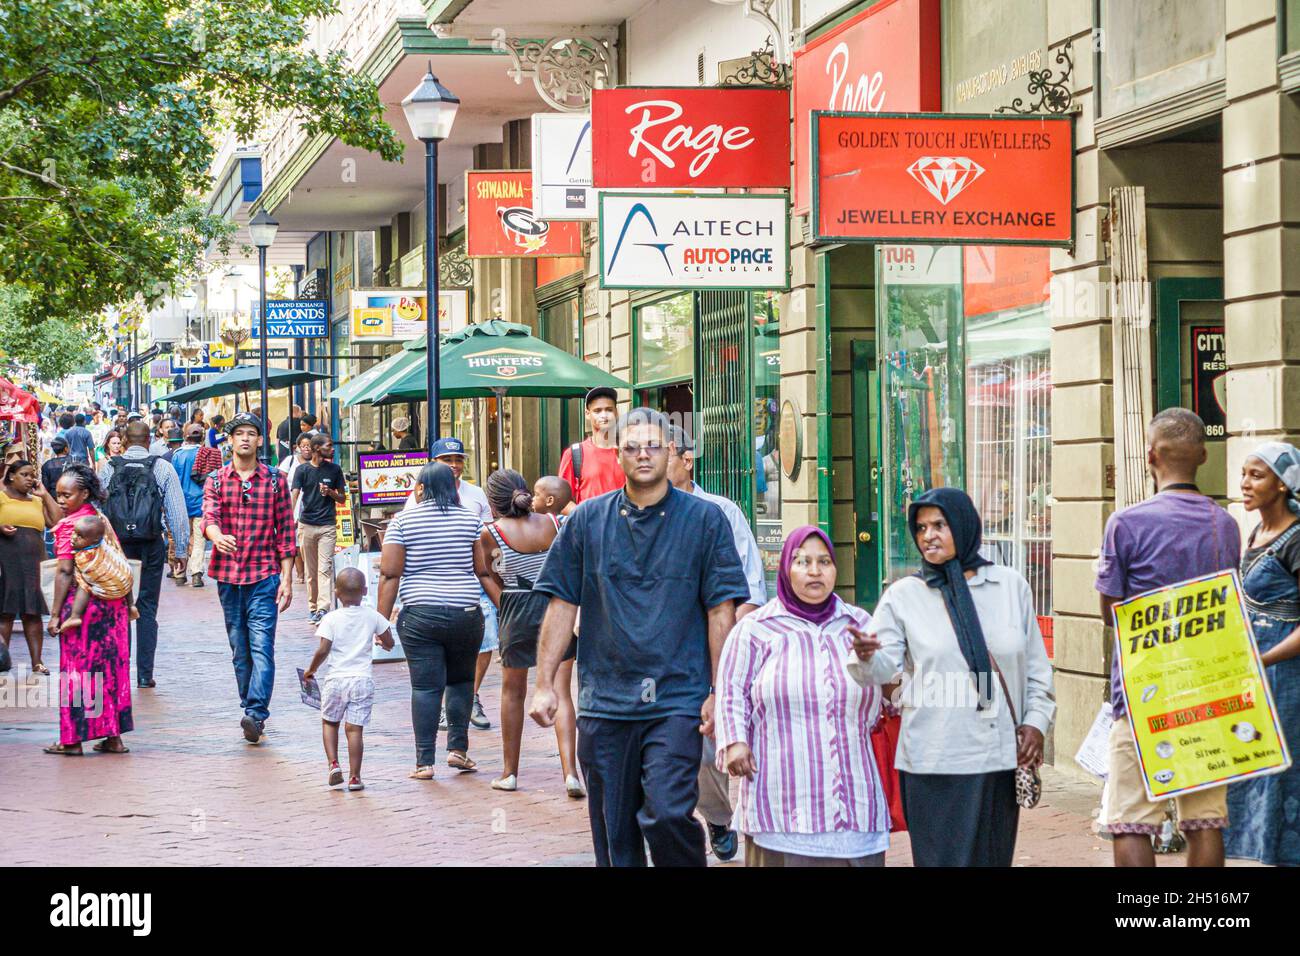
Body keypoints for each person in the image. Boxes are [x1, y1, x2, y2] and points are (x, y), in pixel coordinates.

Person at [529, 407, 751, 867]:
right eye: (632, 447)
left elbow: (721, 610)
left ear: (671, 451)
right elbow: (561, 603)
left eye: (653, 445)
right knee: (615, 831)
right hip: (605, 701)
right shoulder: (587, 521)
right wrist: (545, 683)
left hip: (677, 697)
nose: (643, 454)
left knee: (668, 812)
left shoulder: (706, 521)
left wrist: (719, 691)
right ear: (618, 454)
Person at [848, 487, 1055, 867]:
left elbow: (1038, 671)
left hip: (995, 760)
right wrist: (866, 656)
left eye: (939, 524)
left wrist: (1036, 724)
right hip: (933, 761)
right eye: (921, 527)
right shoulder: (905, 596)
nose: (929, 535)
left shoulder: (1010, 587)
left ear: (963, 524)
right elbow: (880, 671)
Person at [1095, 408, 1241, 866]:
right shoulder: (1226, 525)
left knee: (1131, 819)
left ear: (1150, 455)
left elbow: (1110, 612)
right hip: (1206, 688)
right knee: (1204, 819)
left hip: (1143, 691)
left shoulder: (1126, 523)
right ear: (1202, 455)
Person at [717, 526, 890, 867]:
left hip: (855, 800)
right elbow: (731, 692)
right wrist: (736, 742)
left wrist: (877, 663)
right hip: (781, 802)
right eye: (803, 561)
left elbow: (894, 696)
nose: (815, 571)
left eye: (824, 561)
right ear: (785, 568)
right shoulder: (757, 629)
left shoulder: (859, 624)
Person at [665, 425, 766, 862]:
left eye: (659, 449)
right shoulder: (629, 513)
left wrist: (728, 657)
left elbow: (750, 591)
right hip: (661, 656)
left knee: (712, 745)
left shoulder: (721, 511)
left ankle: (721, 816)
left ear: (687, 459)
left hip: (716, 650)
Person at [475, 469, 582, 796]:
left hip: (516, 611)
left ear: (493, 502)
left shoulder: (490, 532)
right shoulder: (554, 523)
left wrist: (502, 602)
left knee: (513, 692)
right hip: (557, 608)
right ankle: (571, 775)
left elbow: (488, 572)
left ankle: (510, 773)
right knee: (562, 692)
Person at [378, 462, 486, 778]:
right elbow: (483, 569)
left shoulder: (402, 522)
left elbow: (389, 574)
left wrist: (381, 623)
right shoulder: (471, 521)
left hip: (419, 615)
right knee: (461, 681)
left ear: (421, 488)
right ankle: (458, 750)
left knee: (425, 687)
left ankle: (424, 762)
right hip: (465, 613)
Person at [1224, 442, 1300, 866]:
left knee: (1285, 773)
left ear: (1283, 485)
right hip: (1254, 671)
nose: (1244, 483)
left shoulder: (1297, 538)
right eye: (1244, 473)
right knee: (1255, 767)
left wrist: (1263, 659)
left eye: (1257, 475)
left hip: (1287, 677)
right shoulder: (1252, 533)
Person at [202, 413, 296, 744]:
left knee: (262, 647)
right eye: (238, 433)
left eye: (251, 434)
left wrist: (287, 578)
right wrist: (216, 535)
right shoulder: (215, 480)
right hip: (228, 577)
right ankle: (248, 705)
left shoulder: (274, 480)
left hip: (265, 575)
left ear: (260, 440)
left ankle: (256, 713)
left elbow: (286, 531)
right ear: (229, 440)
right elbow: (209, 517)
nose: (244, 439)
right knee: (239, 649)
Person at [404, 437, 495, 730]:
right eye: (447, 460)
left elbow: (489, 538)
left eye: (458, 460)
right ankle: (450, 705)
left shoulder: (476, 493)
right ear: (435, 464)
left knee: (487, 641)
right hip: (433, 589)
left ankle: (471, 696)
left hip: (474, 580)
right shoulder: (417, 495)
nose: (454, 466)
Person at [44, 465, 133, 755]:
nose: (61, 501)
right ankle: (113, 737)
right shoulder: (99, 520)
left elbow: (65, 571)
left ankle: (72, 739)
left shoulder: (72, 527)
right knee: (112, 670)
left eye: (66, 495)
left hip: (81, 608)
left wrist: (56, 614)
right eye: (58, 495)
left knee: (79, 672)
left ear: (84, 493)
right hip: (113, 605)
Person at [99, 420, 190, 689]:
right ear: (149, 440)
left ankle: (120, 670)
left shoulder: (108, 468)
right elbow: (176, 512)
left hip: (117, 549)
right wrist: (180, 550)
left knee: (119, 607)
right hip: (151, 546)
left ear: (125, 440)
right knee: (147, 609)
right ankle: (144, 675)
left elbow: (96, 509)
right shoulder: (161, 467)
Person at [303, 567, 395, 792]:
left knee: (330, 722)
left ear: (336, 593)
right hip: (362, 680)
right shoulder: (373, 615)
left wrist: (310, 670)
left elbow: (323, 649)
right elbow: (389, 641)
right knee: (354, 730)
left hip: (336, 680)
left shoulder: (330, 618)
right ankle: (355, 777)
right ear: (365, 591)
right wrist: (383, 643)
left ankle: (333, 764)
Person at [0, 461, 61, 676]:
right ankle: (2, 659)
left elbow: (57, 521)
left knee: (32, 612)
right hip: (6, 559)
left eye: (32, 475)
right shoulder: (2, 497)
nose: (29, 479)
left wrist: (45, 495)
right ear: (11, 477)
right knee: (5, 612)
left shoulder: (36, 500)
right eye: (24, 475)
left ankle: (37, 661)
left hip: (33, 561)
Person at [291, 433, 345, 624]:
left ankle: (323, 608)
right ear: (316, 449)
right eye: (329, 446)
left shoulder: (335, 470)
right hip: (307, 525)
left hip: (327, 525)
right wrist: (289, 520)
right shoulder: (302, 470)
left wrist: (330, 493)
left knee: (324, 569)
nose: (332, 449)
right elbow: (295, 495)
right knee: (311, 572)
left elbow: (342, 498)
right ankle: (313, 607)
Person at [58, 513, 139, 633]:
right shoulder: (106, 545)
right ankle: (131, 605)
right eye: (74, 533)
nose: (74, 537)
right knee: (124, 573)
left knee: (84, 585)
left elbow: (77, 574)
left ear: (94, 539)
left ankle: (75, 616)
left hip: (110, 590)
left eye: (80, 536)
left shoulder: (85, 557)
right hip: (126, 584)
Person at [557, 386, 623, 508]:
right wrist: (587, 518)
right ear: (588, 414)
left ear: (616, 412)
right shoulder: (574, 454)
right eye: (597, 411)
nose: (604, 415)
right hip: (590, 525)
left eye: (609, 410)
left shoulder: (630, 452)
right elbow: (562, 501)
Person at [171, 424, 208, 587]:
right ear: (202, 437)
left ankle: (179, 573)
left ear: (186, 437)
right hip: (201, 502)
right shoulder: (206, 453)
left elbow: (174, 480)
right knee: (199, 540)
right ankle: (196, 574)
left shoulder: (178, 455)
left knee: (182, 538)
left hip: (181, 503)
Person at [279, 432, 313, 584]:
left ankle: (308, 572)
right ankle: (299, 574)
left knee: (307, 541)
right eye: (303, 446)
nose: (306, 449)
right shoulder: (290, 460)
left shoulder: (317, 462)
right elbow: (280, 480)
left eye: (309, 446)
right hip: (292, 502)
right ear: (298, 447)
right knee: (296, 542)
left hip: (311, 504)